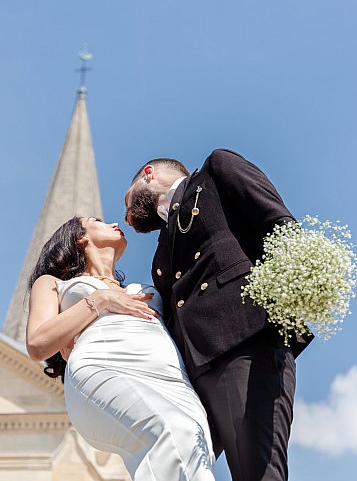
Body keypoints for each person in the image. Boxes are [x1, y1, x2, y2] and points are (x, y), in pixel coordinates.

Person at [125, 148, 314, 481]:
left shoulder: (214, 171)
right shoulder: (161, 251)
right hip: (195, 373)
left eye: (127, 204)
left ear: (149, 173)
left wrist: (302, 280)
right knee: (170, 471)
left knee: (257, 471)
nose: (127, 218)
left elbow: (279, 222)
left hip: (242, 342)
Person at [26, 216, 215, 481]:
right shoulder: (53, 283)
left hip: (173, 379)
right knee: (173, 430)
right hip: (105, 367)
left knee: (196, 453)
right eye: (97, 221)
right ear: (80, 238)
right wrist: (100, 299)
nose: (115, 224)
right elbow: (38, 343)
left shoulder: (143, 287)